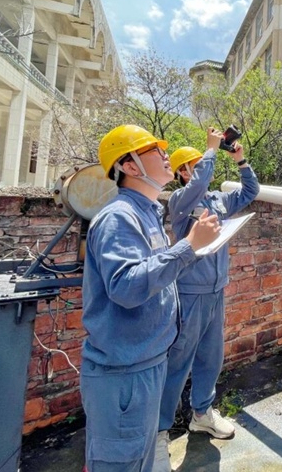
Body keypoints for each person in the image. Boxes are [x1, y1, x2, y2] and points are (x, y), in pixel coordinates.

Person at [80, 124, 220, 472]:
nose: (164, 155)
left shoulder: (148, 213)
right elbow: (126, 286)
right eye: (154, 151)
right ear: (129, 165)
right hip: (124, 374)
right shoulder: (118, 217)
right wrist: (189, 246)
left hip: (147, 362)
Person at [155, 128, 260, 465]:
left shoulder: (217, 199)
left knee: (210, 358)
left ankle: (202, 413)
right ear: (185, 171)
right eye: (196, 164)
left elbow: (250, 191)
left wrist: (240, 160)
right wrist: (211, 150)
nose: (203, 168)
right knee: (178, 361)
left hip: (216, 290)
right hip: (189, 293)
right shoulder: (179, 201)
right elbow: (198, 185)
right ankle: (158, 432)